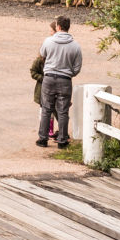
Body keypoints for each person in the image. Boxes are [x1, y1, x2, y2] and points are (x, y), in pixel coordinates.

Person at [37, 15, 83, 148]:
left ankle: (43, 138)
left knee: (46, 108)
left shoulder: (48, 41)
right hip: (65, 79)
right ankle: (62, 140)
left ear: (58, 27)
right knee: (63, 111)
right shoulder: (75, 46)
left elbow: (42, 54)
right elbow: (77, 67)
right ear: (68, 27)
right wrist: (69, 73)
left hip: (49, 77)